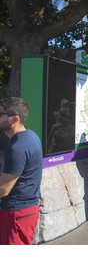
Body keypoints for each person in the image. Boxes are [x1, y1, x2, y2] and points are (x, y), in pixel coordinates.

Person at [0, 97, 43, 244]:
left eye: (1, 114)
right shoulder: (31, 136)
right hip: (24, 212)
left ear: (14, 119)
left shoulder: (17, 147)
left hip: (16, 214)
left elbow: (3, 189)